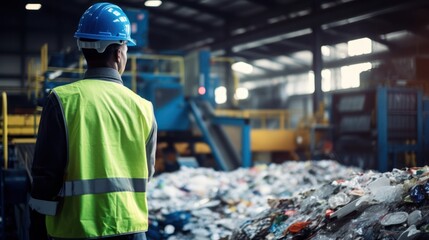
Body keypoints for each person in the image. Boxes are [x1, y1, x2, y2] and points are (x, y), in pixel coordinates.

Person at [28, 2, 157, 239]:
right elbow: (147, 172)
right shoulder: (143, 107)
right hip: (130, 228)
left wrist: (37, 227)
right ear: (119, 52)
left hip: (76, 229)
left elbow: (46, 176)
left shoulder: (62, 100)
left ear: (83, 48)